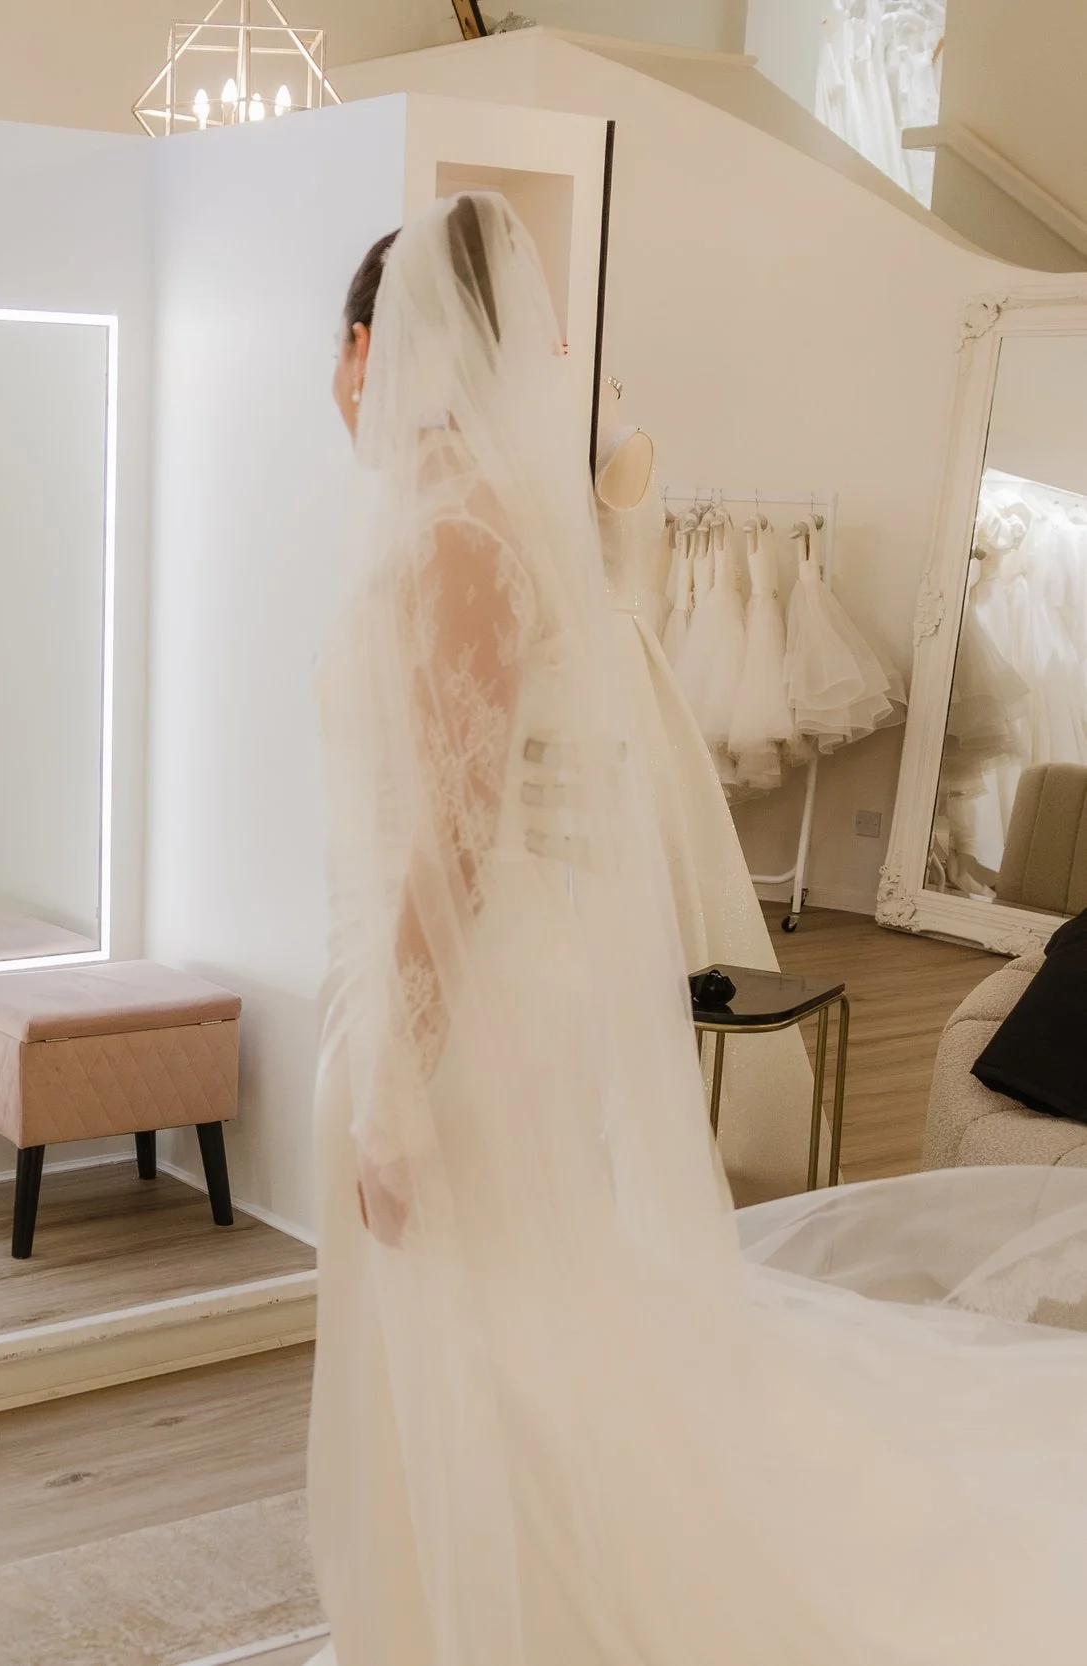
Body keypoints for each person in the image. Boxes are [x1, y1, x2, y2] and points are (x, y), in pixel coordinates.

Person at [305, 191, 1087, 1666]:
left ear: (377, 347)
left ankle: (529, 1615)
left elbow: (455, 835)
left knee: (490, 1321)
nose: (339, 386)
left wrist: (398, 1076)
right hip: (440, 974)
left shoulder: (460, 535)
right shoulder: (454, 522)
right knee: (484, 1313)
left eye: (345, 351)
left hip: (462, 996)